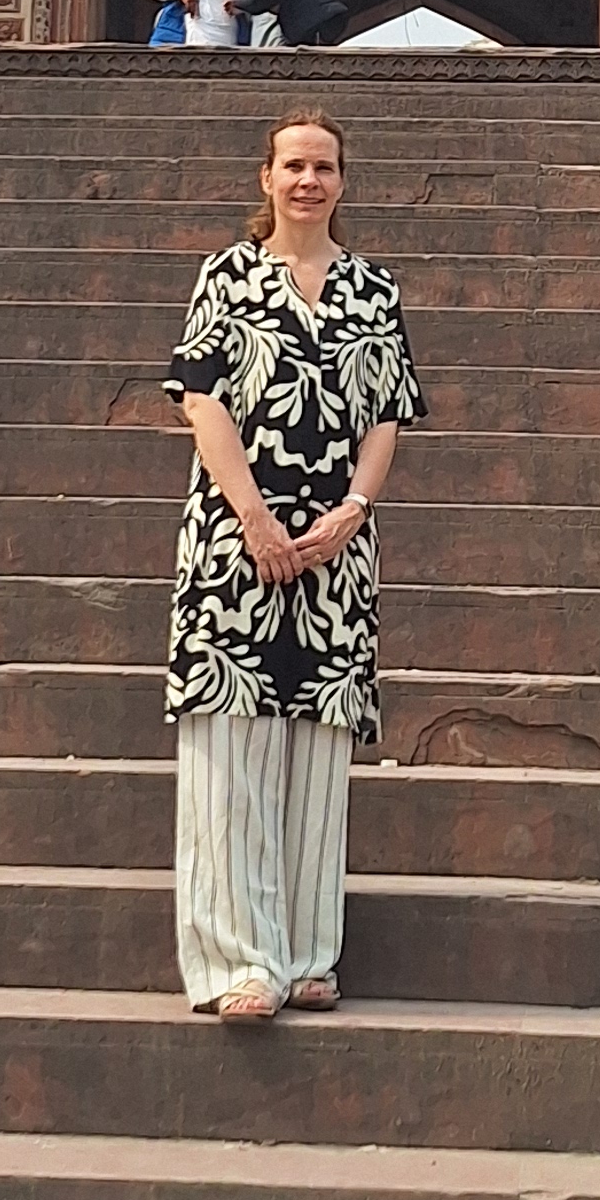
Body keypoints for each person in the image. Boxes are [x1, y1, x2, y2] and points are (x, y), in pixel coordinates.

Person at [164, 109, 425, 1019]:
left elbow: (388, 413)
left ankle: (309, 953)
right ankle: (240, 962)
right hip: (236, 537)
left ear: (342, 182)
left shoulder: (372, 288)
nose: (308, 181)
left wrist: (354, 509)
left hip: (335, 546)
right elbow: (201, 402)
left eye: (324, 167)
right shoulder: (227, 276)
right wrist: (256, 519)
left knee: (317, 750)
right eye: (294, 166)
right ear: (266, 179)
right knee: (230, 749)